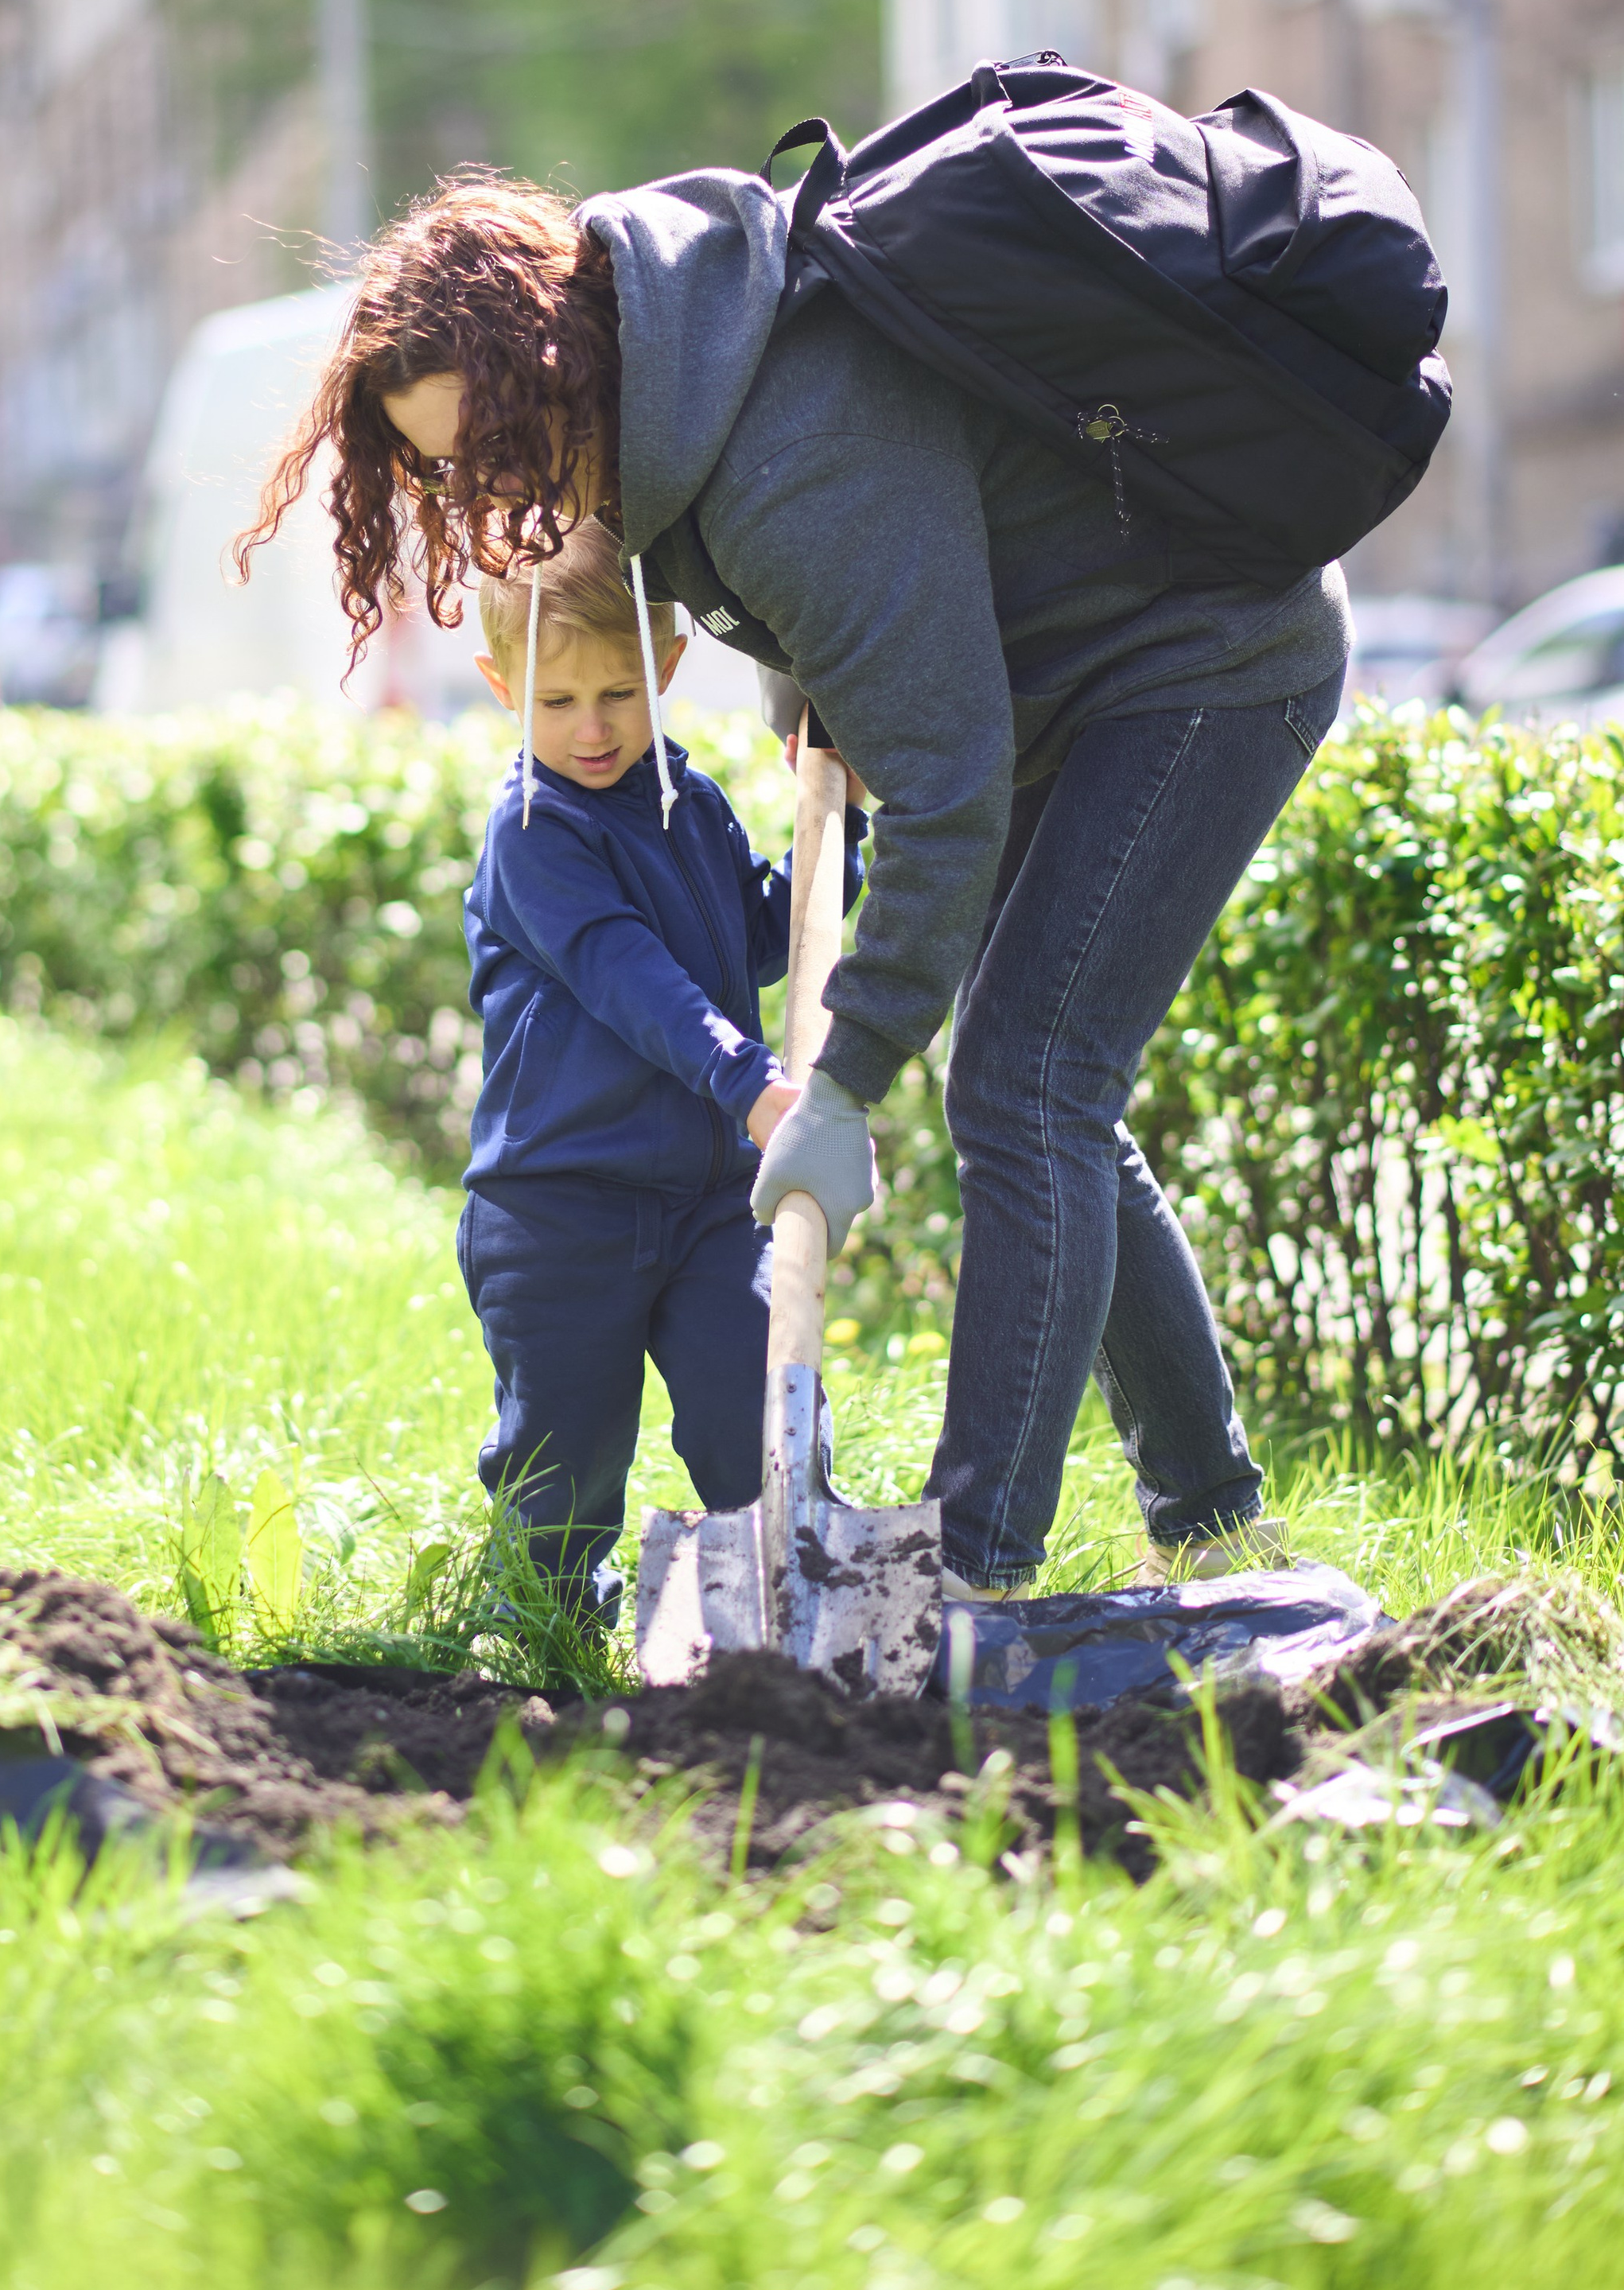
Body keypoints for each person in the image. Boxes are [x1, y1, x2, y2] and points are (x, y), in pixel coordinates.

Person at [243, 163, 1348, 1599]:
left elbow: (943, 789)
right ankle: (1208, 1514)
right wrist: (807, 673)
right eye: (456, 471)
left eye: (500, 447)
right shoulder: (685, 372)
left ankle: (976, 1567)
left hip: (1205, 657)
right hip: (1074, 675)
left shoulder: (770, 450)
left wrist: (839, 1084)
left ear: (560, 366)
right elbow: (840, 555)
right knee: (1044, 1084)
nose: (493, 495)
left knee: (1028, 1083)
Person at [454, 518, 866, 1623]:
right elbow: (625, 973)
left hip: (704, 1205)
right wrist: (749, 1084)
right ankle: (543, 1631)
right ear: (502, 687)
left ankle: (796, 1607)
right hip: (559, 1210)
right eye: (556, 703)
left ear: (668, 667)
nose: (591, 729)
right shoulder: (532, 833)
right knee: (565, 1458)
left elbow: (766, 937)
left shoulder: (691, 805)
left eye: (618, 695)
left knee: (757, 1407)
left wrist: (840, 835)